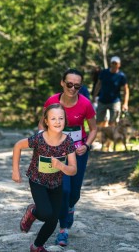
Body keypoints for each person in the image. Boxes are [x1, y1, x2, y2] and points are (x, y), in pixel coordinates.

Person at [38, 68, 97, 247]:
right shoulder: (52, 101)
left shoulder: (85, 104)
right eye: (69, 84)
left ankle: (70, 208)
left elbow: (94, 129)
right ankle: (63, 230)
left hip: (78, 151)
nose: (72, 88)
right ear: (62, 83)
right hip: (57, 152)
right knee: (63, 191)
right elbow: (42, 123)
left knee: (74, 193)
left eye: (77, 86)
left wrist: (86, 146)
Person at [12, 103, 78, 252]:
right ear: (46, 121)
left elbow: (73, 170)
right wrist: (15, 171)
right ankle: (33, 212)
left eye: (61, 118)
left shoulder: (68, 142)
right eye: (53, 118)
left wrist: (61, 166)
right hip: (38, 181)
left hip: (57, 183)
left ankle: (36, 246)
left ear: (65, 121)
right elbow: (18, 146)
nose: (57, 122)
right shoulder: (39, 139)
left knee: (53, 220)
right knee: (45, 213)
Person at [92, 56, 129, 127]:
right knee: (99, 122)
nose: (114, 65)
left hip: (115, 102)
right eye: (113, 63)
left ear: (119, 65)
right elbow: (98, 85)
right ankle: (100, 137)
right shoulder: (104, 72)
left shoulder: (121, 76)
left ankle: (111, 137)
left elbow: (126, 90)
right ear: (110, 64)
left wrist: (125, 103)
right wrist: (94, 96)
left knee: (113, 123)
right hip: (102, 100)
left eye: (116, 63)